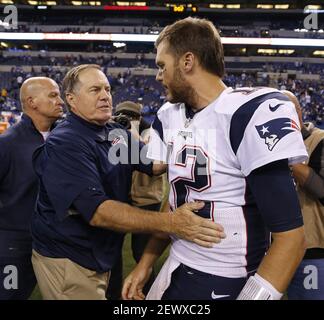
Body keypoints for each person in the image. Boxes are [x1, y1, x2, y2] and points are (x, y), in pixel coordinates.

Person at [122, 17, 308, 301]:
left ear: (187, 61)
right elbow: (174, 200)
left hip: (225, 276)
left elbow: (292, 239)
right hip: (177, 264)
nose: (158, 76)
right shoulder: (168, 115)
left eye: (162, 65)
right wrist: (146, 264)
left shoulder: (246, 114)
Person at [30, 64, 225, 300]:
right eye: (94, 90)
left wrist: (195, 143)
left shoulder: (113, 132)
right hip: (70, 257)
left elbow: (153, 164)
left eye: (107, 89)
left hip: (99, 251)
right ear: (71, 99)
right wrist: (172, 222)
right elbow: (98, 212)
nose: (105, 96)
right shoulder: (65, 143)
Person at [0, 77, 64, 300]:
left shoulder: (66, 139)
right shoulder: (7, 144)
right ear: (32, 101)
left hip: (57, 242)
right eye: (53, 95)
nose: (61, 101)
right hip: (14, 247)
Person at [107, 101, 165, 299]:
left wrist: (131, 132)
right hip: (122, 199)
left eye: (130, 116)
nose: (127, 120)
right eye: (122, 116)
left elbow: (153, 162)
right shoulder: (114, 133)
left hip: (147, 199)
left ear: (139, 118)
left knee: (142, 252)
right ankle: (113, 294)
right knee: (112, 252)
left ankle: (148, 293)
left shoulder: (153, 133)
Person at [282, 91, 324, 300]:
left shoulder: (320, 140)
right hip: (272, 249)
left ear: (298, 112)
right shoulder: (262, 147)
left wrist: (289, 158)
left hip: (312, 248)